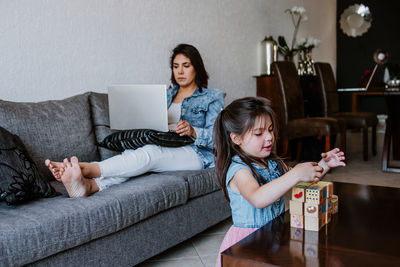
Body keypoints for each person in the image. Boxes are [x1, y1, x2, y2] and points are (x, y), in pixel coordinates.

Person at [45, 43, 224, 198]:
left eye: (186, 65)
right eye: (176, 66)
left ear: (197, 67)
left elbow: (218, 137)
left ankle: (86, 169)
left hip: (196, 152)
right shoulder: (166, 94)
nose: (180, 71)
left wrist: (193, 131)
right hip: (166, 141)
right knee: (135, 155)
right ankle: (89, 186)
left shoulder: (212, 96)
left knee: (151, 153)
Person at [213, 97, 345, 267]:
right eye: (259, 133)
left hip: (274, 235)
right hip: (248, 243)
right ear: (236, 139)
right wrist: (295, 174)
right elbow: (258, 198)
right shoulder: (240, 170)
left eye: (270, 130)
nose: (269, 137)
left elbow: (302, 182)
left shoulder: (273, 162)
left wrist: (324, 164)